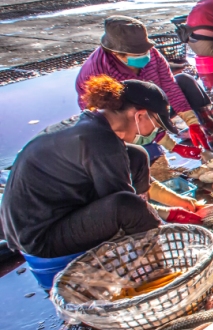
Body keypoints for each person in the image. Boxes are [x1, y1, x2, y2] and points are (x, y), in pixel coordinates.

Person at [0, 77, 201, 259]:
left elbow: (126, 191)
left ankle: (145, 228)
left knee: (138, 155)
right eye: (157, 124)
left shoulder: (90, 123)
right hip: (40, 235)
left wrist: (177, 204)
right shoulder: (101, 142)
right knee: (129, 208)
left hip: (53, 212)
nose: (156, 131)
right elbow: (125, 205)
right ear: (140, 116)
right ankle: (158, 263)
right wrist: (156, 218)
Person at [75, 16, 213, 154]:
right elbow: (123, 115)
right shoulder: (100, 73)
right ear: (115, 53)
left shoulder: (153, 54)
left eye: (144, 51)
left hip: (151, 106)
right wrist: (172, 146)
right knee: (147, 155)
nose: (144, 56)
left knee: (184, 80)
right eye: (136, 54)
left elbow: (170, 86)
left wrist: (192, 123)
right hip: (122, 120)